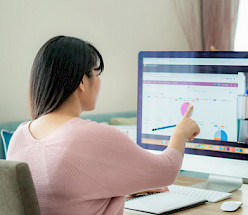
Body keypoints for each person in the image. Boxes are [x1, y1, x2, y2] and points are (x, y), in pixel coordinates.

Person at [6, 36, 200, 215]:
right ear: (82, 81)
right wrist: (180, 133)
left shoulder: (19, 137)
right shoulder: (93, 136)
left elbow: (61, 195)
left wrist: (129, 186)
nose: (98, 82)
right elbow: (166, 171)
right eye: (96, 73)